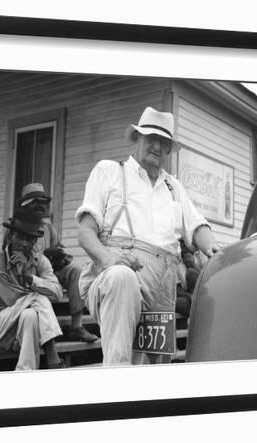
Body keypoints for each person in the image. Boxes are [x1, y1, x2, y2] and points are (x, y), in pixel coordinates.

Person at [76, 106, 219, 366]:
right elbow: (85, 233)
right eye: (151, 138)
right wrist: (109, 260)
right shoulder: (109, 171)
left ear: (168, 150)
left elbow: (197, 226)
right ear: (137, 138)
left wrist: (212, 248)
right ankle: (116, 391)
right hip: (113, 274)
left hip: (162, 288)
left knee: (154, 368)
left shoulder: (173, 187)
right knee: (123, 279)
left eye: (163, 143)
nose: (157, 146)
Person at [0, 208, 65, 370]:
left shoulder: (40, 261)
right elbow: (12, 299)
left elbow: (58, 293)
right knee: (38, 299)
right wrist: (35, 290)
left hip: (23, 332)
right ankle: (52, 353)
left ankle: (25, 373)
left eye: (30, 239)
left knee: (30, 314)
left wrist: (29, 277)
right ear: (11, 236)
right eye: (20, 237)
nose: (25, 244)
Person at [16, 183, 98, 343]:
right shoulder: (17, 226)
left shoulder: (46, 227)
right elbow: (16, 254)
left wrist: (60, 256)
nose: (41, 206)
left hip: (48, 272)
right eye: (36, 202)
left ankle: (76, 327)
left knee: (76, 270)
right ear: (26, 205)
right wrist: (46, 254)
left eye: (43, 203)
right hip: (26, 273)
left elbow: (57, 247)